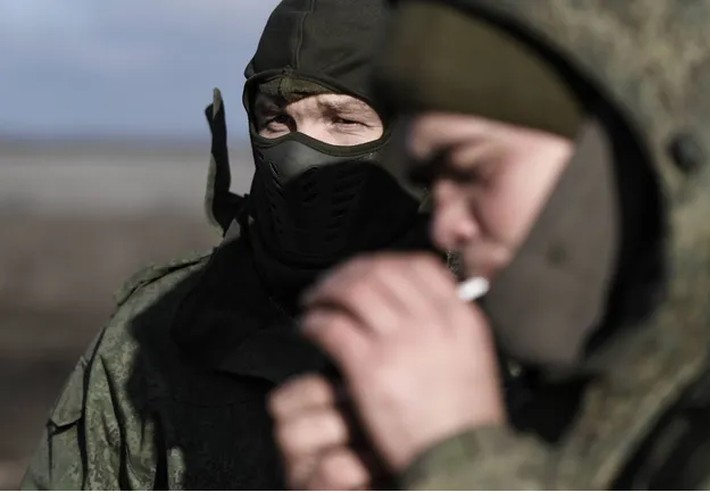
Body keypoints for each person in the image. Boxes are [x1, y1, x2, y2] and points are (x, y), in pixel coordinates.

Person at [270, 0, 710, 488]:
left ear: (642, 151)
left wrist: (459, 462)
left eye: (474, 170)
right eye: (433, 184)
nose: (445, 226)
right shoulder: (601, 388)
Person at [22, 0, 430, 489]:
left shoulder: (509, 335)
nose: (298, 157)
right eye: (276, 121)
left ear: (417, 138)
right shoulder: (153, 335)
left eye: (343, 121)